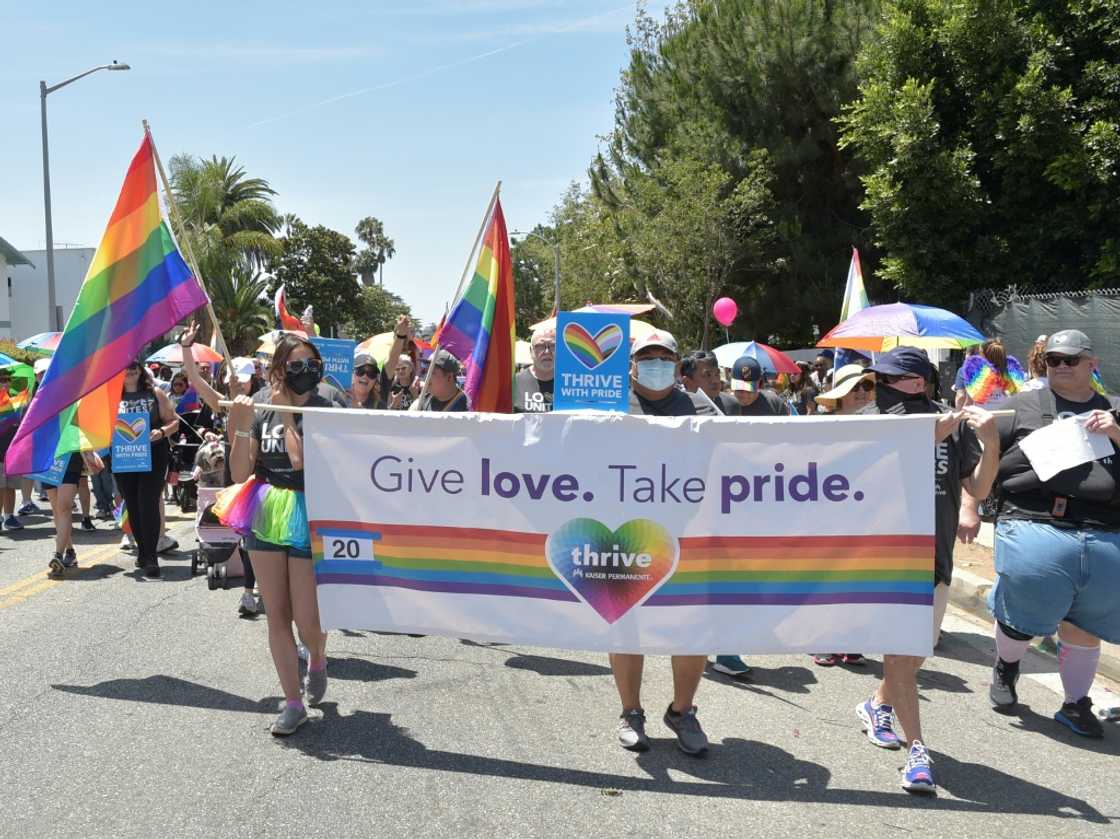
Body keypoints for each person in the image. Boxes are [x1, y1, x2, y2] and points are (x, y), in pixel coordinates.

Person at [853, 347, 998, 794]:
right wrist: (922, 436)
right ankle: (918, 753)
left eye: (890, 378)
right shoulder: (869, 419)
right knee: (901, 655)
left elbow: (976, 485)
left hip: (934, 552)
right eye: (879, 379)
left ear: (917, 382)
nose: (880, 386)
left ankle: (877, 703)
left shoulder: (951, 426)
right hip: (884, 554)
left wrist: (991, 442)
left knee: (914, 654)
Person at [986, 329, 1120, 739]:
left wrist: (1116, 433)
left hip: (1102, 529)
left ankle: (1075, 702)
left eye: (1070, 360)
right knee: (1025, 609)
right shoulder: (1019, 406)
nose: (1060, 366)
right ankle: (1007, 666)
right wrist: (969, 509)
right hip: (1033, 521)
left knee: (1087, 621)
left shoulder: (1114, 409)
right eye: (1053, 360)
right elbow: (984, 459)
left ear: (1092, 364)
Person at [216, 332, 332, 736]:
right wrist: (243, 425)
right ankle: (293, 701)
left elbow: (300, 464)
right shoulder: (261, 401)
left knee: (306, 616)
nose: (307, 373)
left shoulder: (327, 405)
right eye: (297, 366)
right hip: (265, 510)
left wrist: (286, 415)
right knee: (276, 614)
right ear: (279, 369)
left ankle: (316, 658)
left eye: (312, 365)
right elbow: (238, 473)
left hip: (310, 510)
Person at [614, 330, 718, 756]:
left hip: (688, 533)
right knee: (626, 627)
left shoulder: (700, 407)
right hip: (626, 532)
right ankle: (630, 711)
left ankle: (682, 711)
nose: (655, 363)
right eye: (646, 356)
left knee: (691, 631)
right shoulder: (611, 406)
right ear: (632, 365)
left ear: (678, 366)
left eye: (664, 356)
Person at [180, 324, 262, 616]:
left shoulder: (264, 405)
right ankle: (249, 592)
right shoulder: (224, 404)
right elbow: (194, 379)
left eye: (244, 380)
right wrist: (187, 348)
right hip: (234, 479)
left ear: (253, 380)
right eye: (234, 380)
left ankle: (265, 586)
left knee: (262, 536)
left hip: (261, 477)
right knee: (244, 536)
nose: (238, 385)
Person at [809, 363, 877, 666]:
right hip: (825, 512)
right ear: (839, 394)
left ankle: (852, 639)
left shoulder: (884, 425)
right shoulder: (819, 425)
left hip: (864, 512)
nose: (862, 393)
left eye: (868, 386)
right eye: (855, 387)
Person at [115, 360, 179, 578]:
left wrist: (161, 432)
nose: (131, 369)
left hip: (153, 454)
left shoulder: (156, 393)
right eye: (126, 366)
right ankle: (142, 551)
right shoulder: (112, 397)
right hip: (124, 455)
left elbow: (174, 422)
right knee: (132, 505)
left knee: (148, 502)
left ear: (141, 370)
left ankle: (151, 556)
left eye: (135, 365)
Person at [955, 339, 1025, 408]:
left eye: (980, 352)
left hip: (981, 416)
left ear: (982, 354)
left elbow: (965, 399)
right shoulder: (1010, 371)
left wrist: (959, 415)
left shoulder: (973, 371)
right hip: (1007, 415)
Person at [380, 314, 421, 410]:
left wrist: (416, 378)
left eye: (412, 331)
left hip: (411, 376)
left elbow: (418, 367)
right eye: (409, 331)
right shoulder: (395, 346)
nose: (411, 334)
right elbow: (392, 362)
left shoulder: (415, 348)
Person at [680, 351, 738, 415]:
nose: (715, 381)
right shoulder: (676, 408)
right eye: (707, 375)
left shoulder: (731, 405)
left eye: (717, 374)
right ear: (687, 382)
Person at [513, 326, 555, 413]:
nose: (547, 351)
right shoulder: (514, 384)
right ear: (531, 351)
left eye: (553, 346)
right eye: (540, 346)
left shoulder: (571, 385)